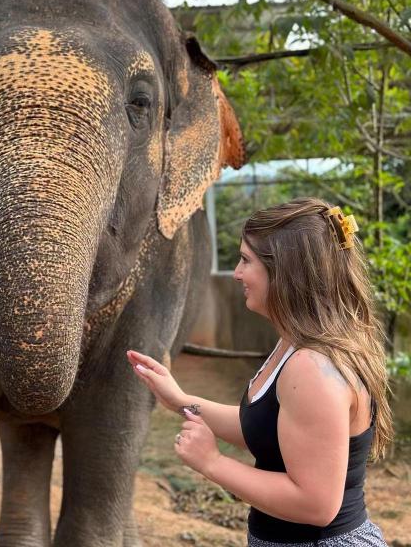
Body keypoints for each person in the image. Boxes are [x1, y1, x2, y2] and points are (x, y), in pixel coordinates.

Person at [127, 197, 392, 547]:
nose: (236, 273)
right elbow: (268, 431)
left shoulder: (312, 367)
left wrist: (212, 463)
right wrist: (181, 401)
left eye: (245, 260)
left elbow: (316, 505)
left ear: (285, 272)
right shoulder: (293, 344)